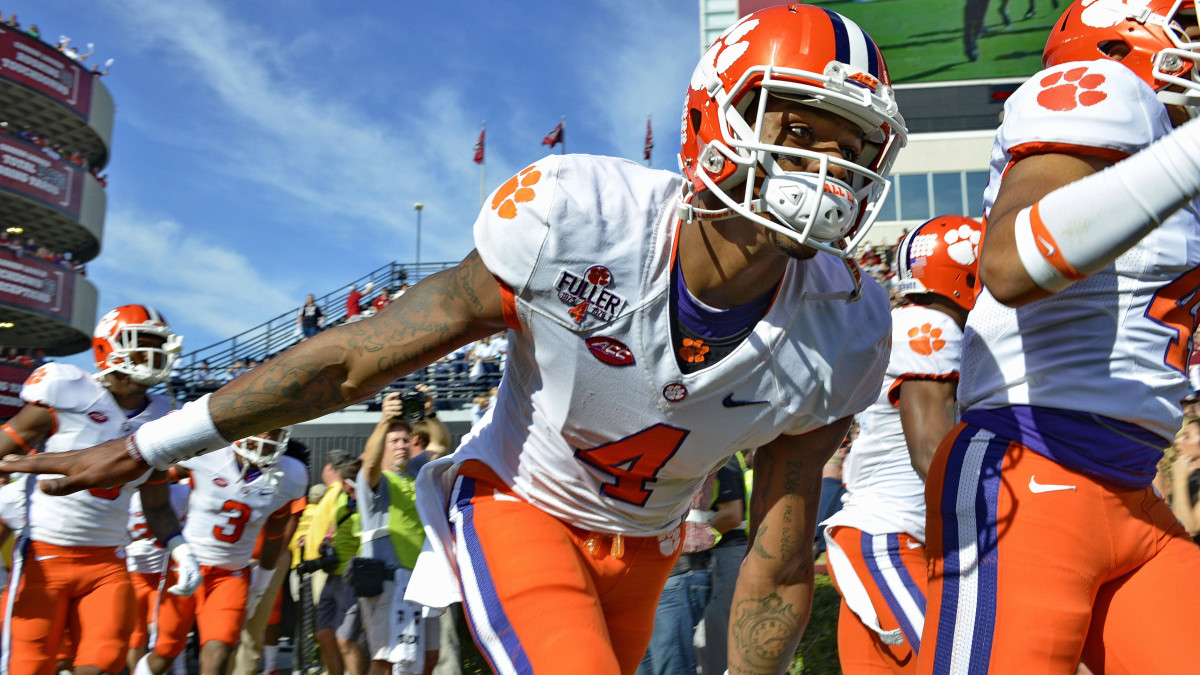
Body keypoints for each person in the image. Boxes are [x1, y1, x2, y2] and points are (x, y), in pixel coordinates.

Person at [2, 6, 908, 673]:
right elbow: (355, 357)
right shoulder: (583, 220)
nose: (826, 170)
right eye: (798, 130)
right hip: (518, 504)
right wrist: (148, 445)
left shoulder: (849, 325)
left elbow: (781, 557)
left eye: (851, 147)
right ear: (713, 117)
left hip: (647, 546)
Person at [919, 2, 1200, 672]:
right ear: (1122, 42)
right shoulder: (1107, 89)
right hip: (1028, 470)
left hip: (1133, 489)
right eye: (1191, 32)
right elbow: (1010, 263)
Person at [0, 305, 201, 675]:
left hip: (107, 561)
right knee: (29, 665)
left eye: (158, 345)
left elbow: (157, 503)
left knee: (105, 661)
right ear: (107, 346)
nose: (153, 354)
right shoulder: (67, 390)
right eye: (142, 343)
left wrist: (181, 549)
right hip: (44, 553)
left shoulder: (161, 417)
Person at [820, 216, 980, 675]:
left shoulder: (911, 321)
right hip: (890, 539)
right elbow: (932, 455)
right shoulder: (929, 323)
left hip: (888, 537)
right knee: (958, 664)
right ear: (968, 274)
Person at [132, 428, 306, 675]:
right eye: (264, 430)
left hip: (231, 575)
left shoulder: (291, 474)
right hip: (186, 565)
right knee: (165, 652)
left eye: (276, 432)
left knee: (219, 652)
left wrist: (261, 585)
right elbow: (157, 470)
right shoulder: (208, 453)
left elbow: (274, 537)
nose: (268, 438)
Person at [356, 394, 437, 675]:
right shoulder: (374, 479)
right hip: (387, 580)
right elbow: (369, 464)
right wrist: (384, 421)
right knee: (385, 661)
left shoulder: (415, 473)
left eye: (405, 440)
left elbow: (440, 445)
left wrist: (431, 413)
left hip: (422, 580)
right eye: (394, 441)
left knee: (429, 657)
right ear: (382, 447)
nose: (401, 445)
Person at [125, 476, 193, 671]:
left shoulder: (182, 494)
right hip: (134, 575)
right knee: (135, 636)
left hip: (165, 574)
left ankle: (178, 670)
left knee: (164, 631)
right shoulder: (124, 497)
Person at [1170, 416, 1200, 539]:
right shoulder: (1186, 472)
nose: (1177, 441)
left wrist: (1179, 480)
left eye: (1186, 437)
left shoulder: (1181, 475)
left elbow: (1188, 530)